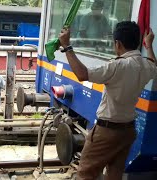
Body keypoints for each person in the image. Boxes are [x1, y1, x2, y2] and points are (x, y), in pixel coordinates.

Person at [58, 22, 157, 180]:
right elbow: (153, 62)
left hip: (106, 132)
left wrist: (67, 47)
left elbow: (82, 74)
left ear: (117, 43)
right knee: (114, 175)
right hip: (128, 131)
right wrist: (149, 45)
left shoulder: (117, 66)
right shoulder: (146, 66)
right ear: (138, 42)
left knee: (85, 174)